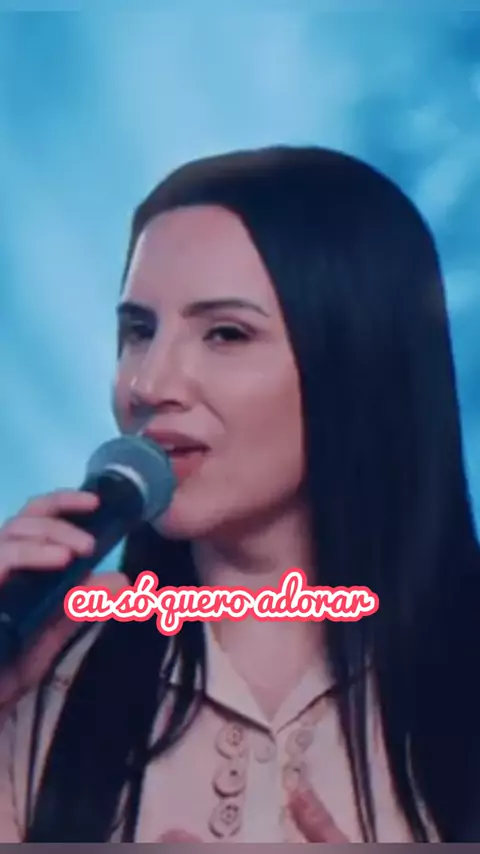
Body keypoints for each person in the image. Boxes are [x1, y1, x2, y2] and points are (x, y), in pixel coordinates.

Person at [0, 144, 478, 844]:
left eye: (225, 333)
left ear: (359, 361)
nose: (149, 383)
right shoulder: (45, 673)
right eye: (138, 331)